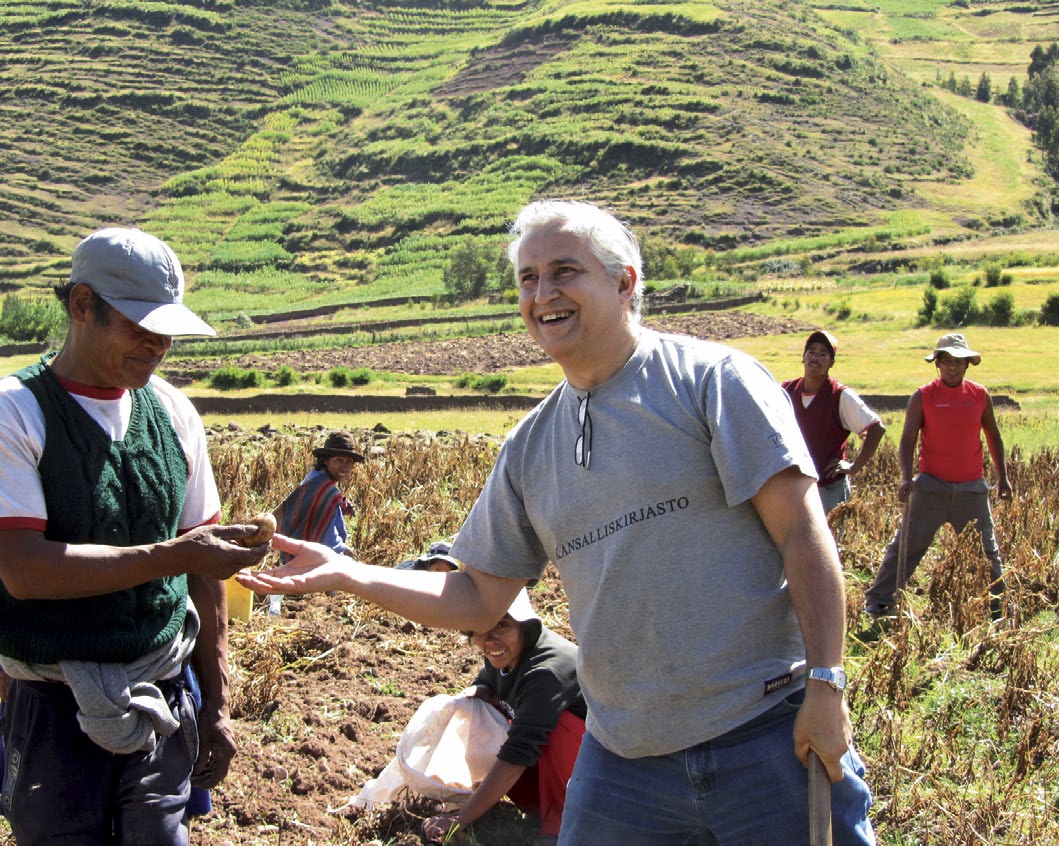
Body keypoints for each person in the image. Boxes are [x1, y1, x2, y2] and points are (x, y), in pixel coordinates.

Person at [239, 200, 876, 845]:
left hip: (763, 733)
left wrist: (827, 685)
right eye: (528, 278)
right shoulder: (529, 446)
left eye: (565, 271)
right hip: (625, 758)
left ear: (625, 281)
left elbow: (802, 532)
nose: (544, 293)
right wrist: (350, 574)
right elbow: (477, 595)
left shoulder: (710, 381)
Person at [0, 227, 269, 845]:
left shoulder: (174, 413)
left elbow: (202, 575)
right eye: (140, 326)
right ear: (81, 305)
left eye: (168, 329)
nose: (160, 346)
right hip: (54, 707)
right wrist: (171, 554)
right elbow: (24, 569)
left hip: (162, 695)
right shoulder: (18, 413)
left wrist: (218, 703)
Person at [864, 332, 1013, 620]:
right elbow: (907, 441)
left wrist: (1003, 476)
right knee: (907, 545)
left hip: (971, 489)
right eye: (945, 361)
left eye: (958, 361)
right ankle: (880, 602)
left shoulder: (980, 396)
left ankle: (998, 608)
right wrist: (907, 478)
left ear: (968, 364)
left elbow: (993, 436)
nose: (951, 366)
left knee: (986, 551)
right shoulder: (923, 397)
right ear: (938, 364)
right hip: (930, 486)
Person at [420, 589, 586, 844]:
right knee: (486, 709)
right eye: (479, 630)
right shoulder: (505, 655)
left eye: (502, 625)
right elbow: (485, 684)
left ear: (524, 625)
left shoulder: (545, 672)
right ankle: (540, 809)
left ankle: (564, 823)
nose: (490, 640)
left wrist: (460, 819)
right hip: (555, 770)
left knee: (553, 726)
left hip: (594, 776)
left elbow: (519, 751)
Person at [781, 330, 886, 514]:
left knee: (829, 542)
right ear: (803, 357)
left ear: (831, 362)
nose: (816, 357)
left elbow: (877, 428)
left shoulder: (840, 396)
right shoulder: (785, 391)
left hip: (828, 489)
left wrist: (854, 467)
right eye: (811, 351)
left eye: (823, 354)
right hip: (795, 487)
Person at [274, 430, 365, 559]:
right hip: (314, 559)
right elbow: (328, 541)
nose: (344, 467)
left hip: (297, 554)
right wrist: (343, 552)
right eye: (339, 460)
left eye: (349, 462)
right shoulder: (324, 489)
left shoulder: (315, 478)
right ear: (325, 460)